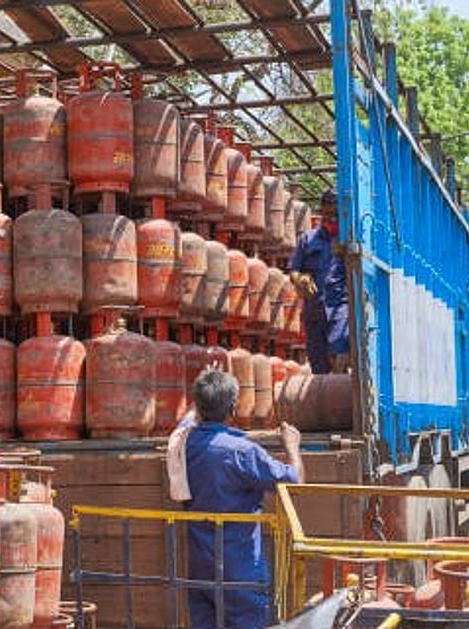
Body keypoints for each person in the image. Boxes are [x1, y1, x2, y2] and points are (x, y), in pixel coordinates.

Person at [167, 369, 305, 629]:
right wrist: (292, 447)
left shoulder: (183, 443)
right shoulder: (243, 451)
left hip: (200, 569)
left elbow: (186, 422)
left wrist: (203, 394)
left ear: (198, 405)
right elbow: (294, 482)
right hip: (239, 569)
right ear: (233, 408)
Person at [288, 189, 349, 374]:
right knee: (319, 366)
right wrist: (299, 279)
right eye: (328, 213)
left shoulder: (349, 240)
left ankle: (339, 385)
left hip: (340, 308)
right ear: (322, 211)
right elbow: (293, 270)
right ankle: (328, 390)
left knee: (340, 357)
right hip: (314, 311)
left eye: (336, 214)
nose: (332, 218)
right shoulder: (308, 239)